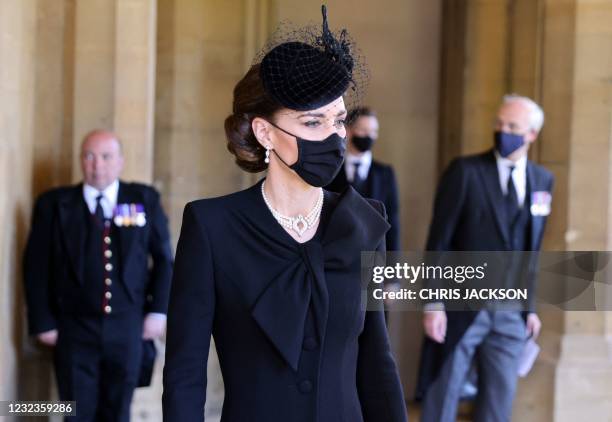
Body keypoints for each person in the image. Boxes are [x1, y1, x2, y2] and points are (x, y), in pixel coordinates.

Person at [162, 6, 407, 422]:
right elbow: (185, 374)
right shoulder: (212, 228)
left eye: (339, 121)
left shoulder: (363, 223)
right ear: (264, 132)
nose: (333, 138)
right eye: (313, 123)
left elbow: (376, 362)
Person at [416, 95, 554, 422]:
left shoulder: (542, 180)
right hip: (461, 305)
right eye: (499, 124)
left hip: (511, 311)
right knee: (443, 397)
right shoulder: (465, 172)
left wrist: (530, 308)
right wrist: (433, 302)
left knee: (498, 404)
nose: (502, 131)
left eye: (512, 126)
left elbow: (532, 251)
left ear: (531, 134)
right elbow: (440, 241)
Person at [23, 130, 173, 421]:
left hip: (129, 327)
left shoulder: (143, 198)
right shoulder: (54, 205)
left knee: (118, 412)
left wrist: (158, 312)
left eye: (106, 156)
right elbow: (36, 267)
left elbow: (165, 260)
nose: (97, 164)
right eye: (89, 156)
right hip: (73, 328)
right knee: (76, 412)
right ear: (81, 161)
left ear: (120, 162)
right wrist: (43, 321)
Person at [326, 106, 401, 251]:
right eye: (363, 130)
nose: (369, 136)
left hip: (374, 255)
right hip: (337, 254)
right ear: (348, 131)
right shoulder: (331, 171)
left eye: (373, 132)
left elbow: (393, 223)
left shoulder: (385, 173)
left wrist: (393, 268)